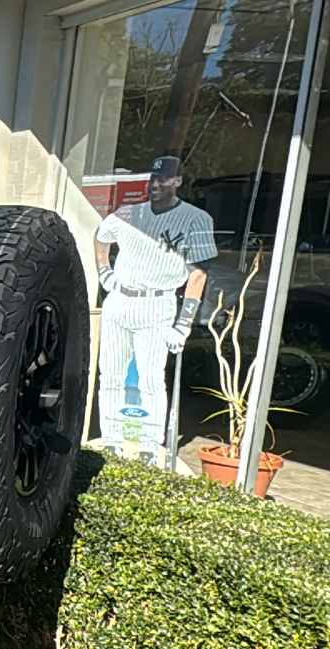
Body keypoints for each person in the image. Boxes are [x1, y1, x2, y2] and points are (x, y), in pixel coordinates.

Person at [93, 155, 216, 463]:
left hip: (157, 303)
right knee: (110, 375)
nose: (156, 184)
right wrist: (103, 271)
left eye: (163, 179)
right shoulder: (128, 213)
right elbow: (100, 237)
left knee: (150, 379)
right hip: (120, 299)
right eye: (153, 178)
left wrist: (184, 323)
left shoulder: (196, 218)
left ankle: (149, 445)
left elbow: (198, 273)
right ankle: (111, 439)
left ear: (177, 182)